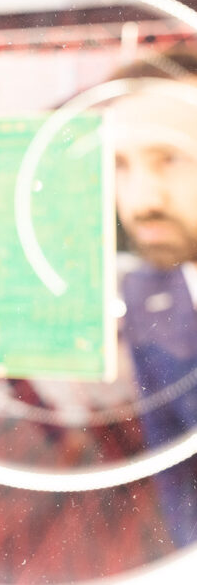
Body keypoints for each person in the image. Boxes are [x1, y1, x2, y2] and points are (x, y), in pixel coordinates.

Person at [112, 45, 197, 547]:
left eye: (172, 158)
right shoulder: (145, 291)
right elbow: (175, 474)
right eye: (122, 166)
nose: (142, 200)